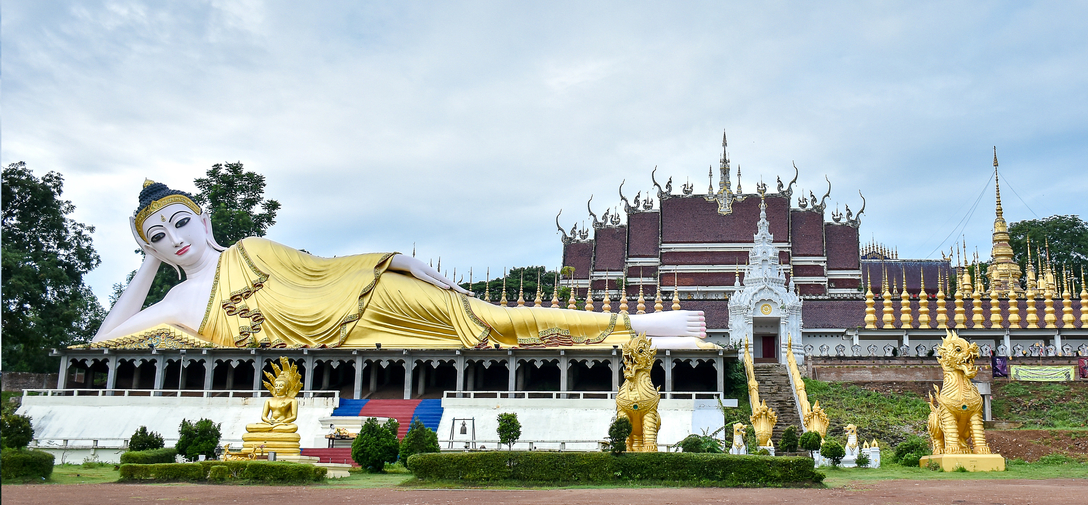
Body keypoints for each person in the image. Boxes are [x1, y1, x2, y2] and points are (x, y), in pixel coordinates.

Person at [93, 180, 710, 350]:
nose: (174, 239)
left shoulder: (252, 251)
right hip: (347, 342)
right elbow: (101, 342)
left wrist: (398, 260)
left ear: (203, 220)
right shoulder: (177, 302)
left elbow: (324, 268)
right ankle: (630, 329)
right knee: (494, 334)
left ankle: (634, 326)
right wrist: (145, 268)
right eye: (156, 238)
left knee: (492, 315)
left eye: (179, 223)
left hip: (366, 296)